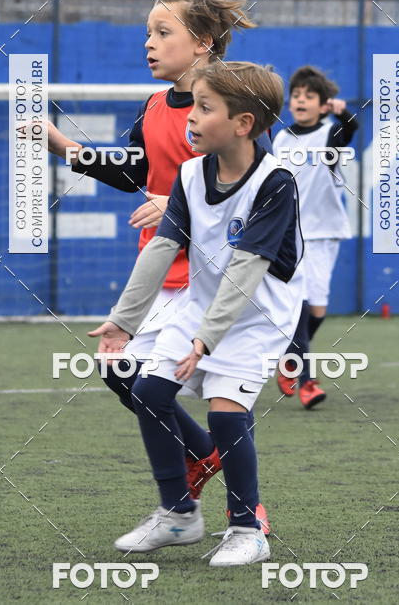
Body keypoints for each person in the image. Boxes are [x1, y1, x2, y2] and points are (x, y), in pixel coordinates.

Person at [45, 0, 272, 528]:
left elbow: (248, 184)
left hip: (209, 277)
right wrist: (59, 143)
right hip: (159, 268)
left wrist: (174, 203)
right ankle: (199, 461)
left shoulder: (224, 106)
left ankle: (233, 505)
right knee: (122, 370)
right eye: (147, 32)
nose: (149, 43)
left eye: (162, 32)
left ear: (203, 42)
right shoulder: (153, 105)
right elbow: (131, 172)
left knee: (210, 397)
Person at [89, 61, 303, 565]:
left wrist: (203, 342)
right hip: (202, 303)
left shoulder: (276, 182)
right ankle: (178, 515)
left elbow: (247, 272)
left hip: (256, 315)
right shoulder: (189, 173)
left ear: (243, 123)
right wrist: (124, 319)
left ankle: (248, 529)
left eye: (205, 108)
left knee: (226, 413)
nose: (192, 117)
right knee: (146, 391)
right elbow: (163, 246)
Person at [271, 65, 358, 409]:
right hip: (291, 235)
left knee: (317, 309)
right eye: (296, 96)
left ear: (323, 105)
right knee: (302, 304)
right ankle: (306, 380)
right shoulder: (280, 139)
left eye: (309, 96)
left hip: (325, 233)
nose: (300, 100)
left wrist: (345, 114)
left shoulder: (329, 135)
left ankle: (288, 358)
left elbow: (350, 130)